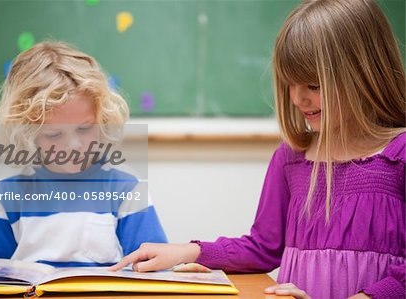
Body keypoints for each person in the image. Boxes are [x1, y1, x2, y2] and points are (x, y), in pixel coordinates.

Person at [110, 0, 405, 298]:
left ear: (365, 73)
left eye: (313, 86)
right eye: (291, 84)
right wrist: (188, 252)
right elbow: (264, 248)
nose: (298, 99)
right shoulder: (291, 158)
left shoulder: (400, 156)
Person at [0, 41, 167, 267]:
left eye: (84, 128)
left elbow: (156, 273)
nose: (74, 145)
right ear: (27, 132)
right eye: (54, 135)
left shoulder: (127, 190)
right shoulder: (7, 196)